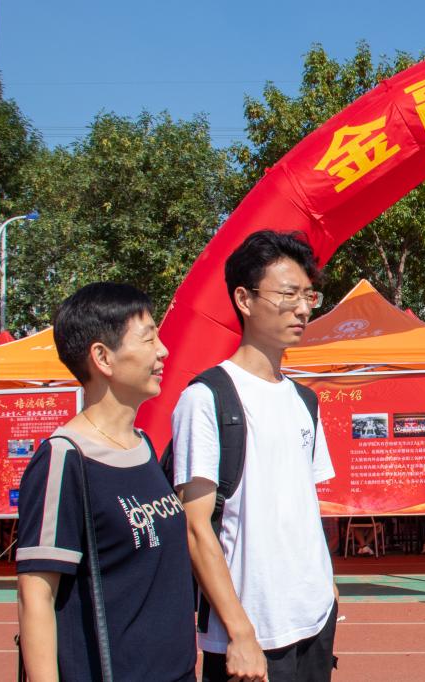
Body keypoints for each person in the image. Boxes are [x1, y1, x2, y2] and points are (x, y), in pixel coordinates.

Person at [172, 230, 338, 682]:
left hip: (314, 618)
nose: (303, 309)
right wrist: (240, 632)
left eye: (308, 295)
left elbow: (304, 507)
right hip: (251, 630)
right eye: (288, 294)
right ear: (244, 299)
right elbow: (195, 528)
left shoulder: (304, 400)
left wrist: (327, 590)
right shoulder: (207, 398)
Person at [16, 283, 197, 680]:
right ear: (102, 357)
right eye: (148, 338)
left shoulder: (144, 447)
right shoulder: (65, 458)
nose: (163, 351)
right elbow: (36, 594)